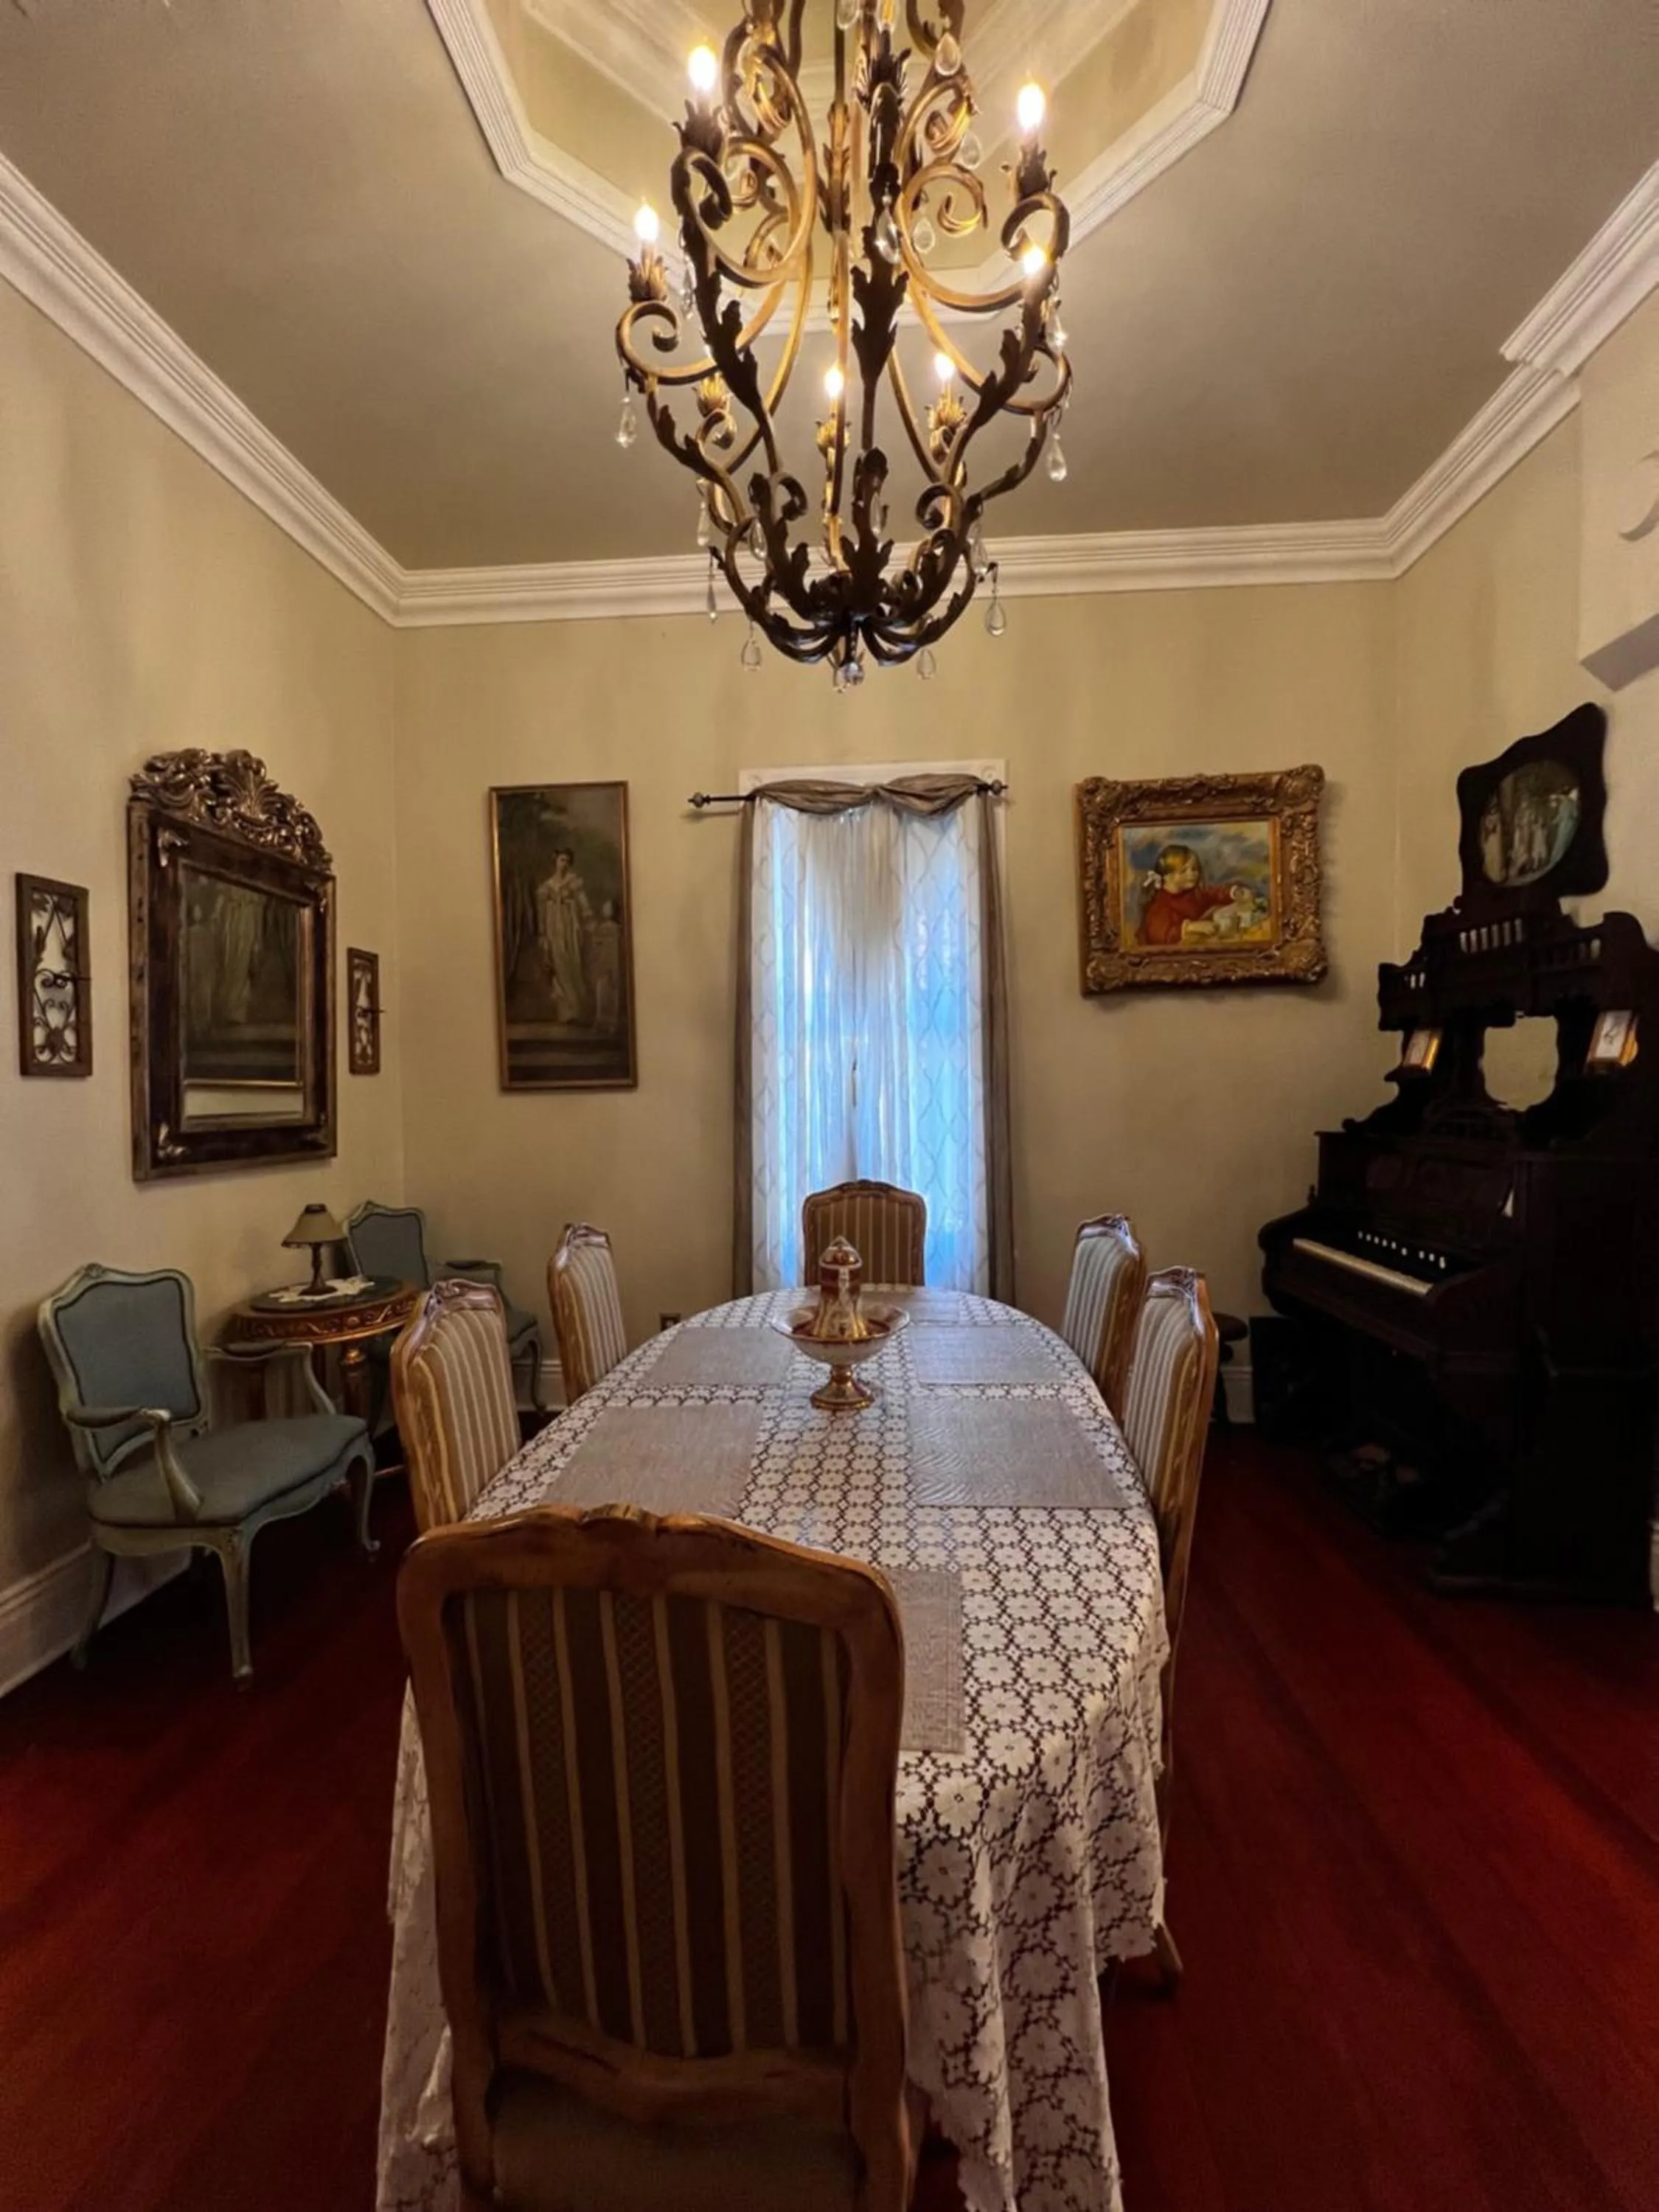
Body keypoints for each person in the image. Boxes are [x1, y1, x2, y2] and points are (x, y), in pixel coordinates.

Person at [1137, 844, 1250, 947]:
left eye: (1194, 869)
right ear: (1167, 877)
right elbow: (1159, 935)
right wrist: (1190, 927)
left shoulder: (1194, 893)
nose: (1192, 874)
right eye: (1183, 871)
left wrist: (1234, 892)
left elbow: (1213, 893)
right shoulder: (1160, 906)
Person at [535, 849, 593, 1024]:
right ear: (556, 862)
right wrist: (543, 933)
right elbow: (542, 911)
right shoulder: (546, 887)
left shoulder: (574, 882)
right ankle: (566, 1012)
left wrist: (588, 918)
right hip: (554, 929)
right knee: (558, 966)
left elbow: (584, 903)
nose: (564, 864)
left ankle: (577, 1010)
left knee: (573, 963)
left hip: (571, 927)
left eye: (567, 861)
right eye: (561, 860)